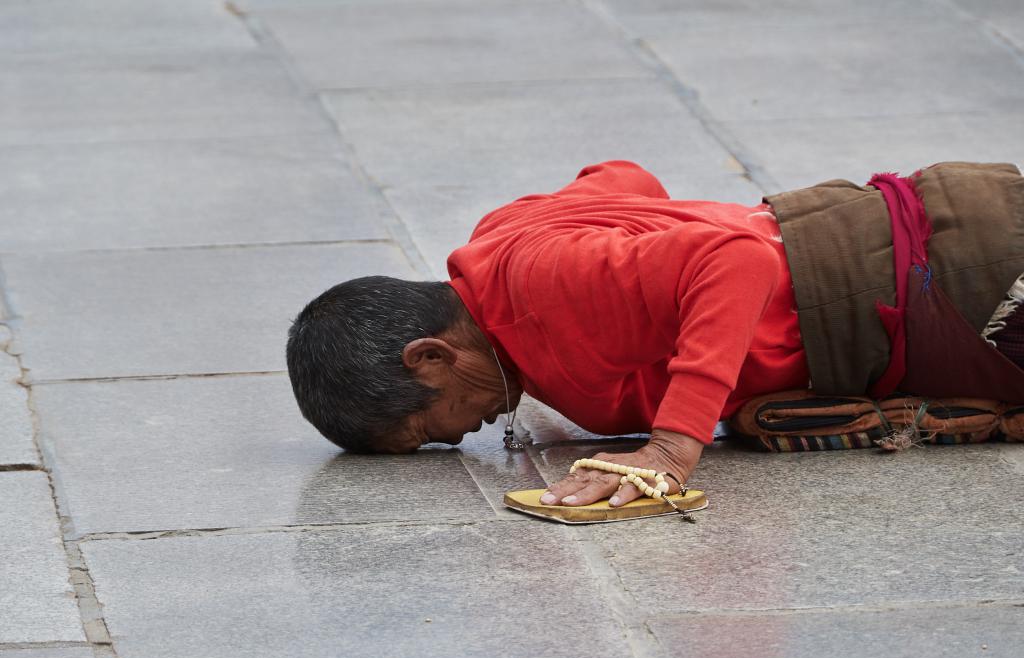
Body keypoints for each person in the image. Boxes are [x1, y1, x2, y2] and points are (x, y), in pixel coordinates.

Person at [286, 160, 1024, 510]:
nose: (458, 438)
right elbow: (622, 177)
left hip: (964, 278)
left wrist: (673, 444)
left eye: (428, 426)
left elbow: (734, 258)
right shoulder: (499, 246)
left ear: (431, 355)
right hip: (915, 255)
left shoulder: (541, 288)